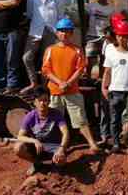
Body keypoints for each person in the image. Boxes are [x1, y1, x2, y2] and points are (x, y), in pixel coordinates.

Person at [41, 18, 100, 154]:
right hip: (55, 92)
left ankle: (92, 144)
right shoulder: (50, 50)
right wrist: (60, 82)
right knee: (53, 120)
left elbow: (80, 69)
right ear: (57, 33)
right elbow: (46, 70)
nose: (64, 34)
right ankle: (53, 145)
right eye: (61, 31)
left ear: (72, 33)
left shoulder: (77, 50)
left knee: (80, 119)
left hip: (72, 90)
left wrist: (68, 83)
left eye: (67, 31)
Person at [21, 0, 66, 94]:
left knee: (47, 61)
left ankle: (44, 86)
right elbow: (29, 14)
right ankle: (33, 82)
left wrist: (59, 34)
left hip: (52, 32)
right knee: (27, 57)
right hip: (35, 31)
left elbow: (61, 16)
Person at [101, 20, 128, 153]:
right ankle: (116, 144)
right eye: (120, 35)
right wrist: (104, 87)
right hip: (115, 91)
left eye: (125, 35)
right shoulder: (111, 52)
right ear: (116, 36)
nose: (122, 38)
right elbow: (107, 71)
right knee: (114, 119)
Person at [15, 87, 69, 176]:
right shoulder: (30, 116)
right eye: (39, 100)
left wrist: (61, 149)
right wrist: (35, 141)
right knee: (18, 147)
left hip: (54, 147)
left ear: (49, 101)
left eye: (45, 100)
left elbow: (65, 132)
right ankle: (37, 164)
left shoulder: (56, 114)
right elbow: (20, 136)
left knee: (61, 161)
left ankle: (54, 166)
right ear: (34, 102)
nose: (42, 103)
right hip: (38, 148)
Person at [85, 0, 114, 77]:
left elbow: (112, 23)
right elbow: (85, 18)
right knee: (90, 59)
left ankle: (101, 78)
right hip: (92, 36)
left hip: (104, 37)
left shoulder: (111, 9)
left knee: (103, 59)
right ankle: (88, 77)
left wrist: (109, 34)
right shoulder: (91, 6)